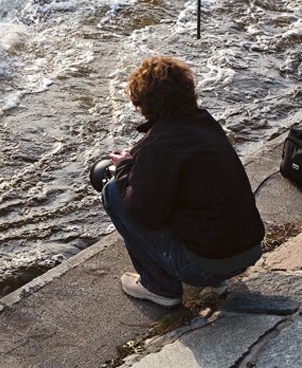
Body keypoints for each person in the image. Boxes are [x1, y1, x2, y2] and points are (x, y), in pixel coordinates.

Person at [101, 55, 265, 307]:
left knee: (113, 192)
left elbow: (143, 214)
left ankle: (159, 287)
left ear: (143, 103)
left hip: (206, 266)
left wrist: (123, 168)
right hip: (249, 250)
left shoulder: (160, 144)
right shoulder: (205, 122)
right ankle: (213, 273)